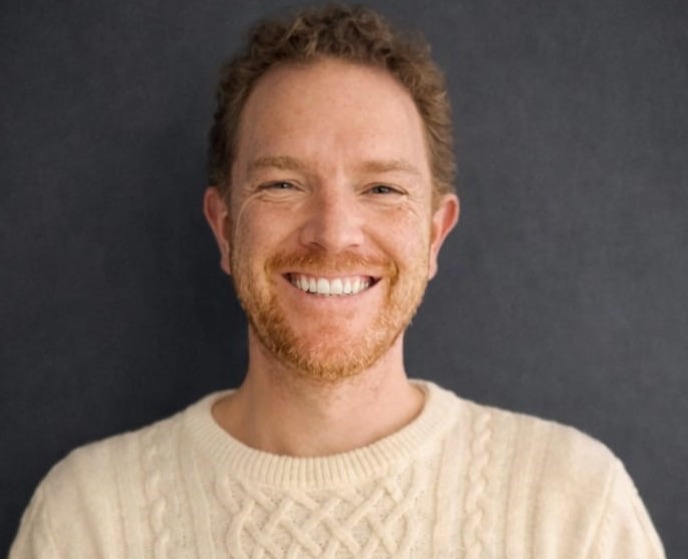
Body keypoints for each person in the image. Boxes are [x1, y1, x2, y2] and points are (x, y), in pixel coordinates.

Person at [9, 5, 665, 558]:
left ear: (434, 235)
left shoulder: (574, 508)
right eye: (282, 184)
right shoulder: (90, 520)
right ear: (225, 228)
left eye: (382, 189)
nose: (333, 234)